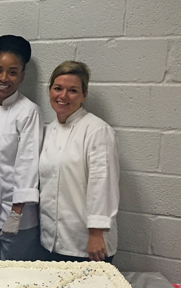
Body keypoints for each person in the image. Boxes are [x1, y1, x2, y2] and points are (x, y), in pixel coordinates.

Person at [39, 60, 119, 262]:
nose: (63, 96)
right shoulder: (48, 131)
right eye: (58, 88)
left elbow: (102, 185)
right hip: (50, 242)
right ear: (49, 91)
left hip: (87, 246)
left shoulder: (97, 130)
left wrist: (96, 233)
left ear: (84, 94)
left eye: (72, 90)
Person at [0, 35, 43, 261]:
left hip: (18, 219)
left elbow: (28, 162)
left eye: (12, 72)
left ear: (22, 76)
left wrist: (16, 213)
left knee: (14, 282)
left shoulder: (28, 111)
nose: (3, 78)